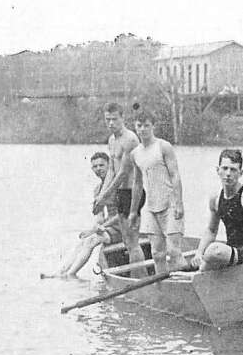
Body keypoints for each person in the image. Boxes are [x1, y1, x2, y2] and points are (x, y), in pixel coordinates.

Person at [41, 152, 121, 279]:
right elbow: (99, 217)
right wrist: (93, 229)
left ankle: (70, 275)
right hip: (109, 227)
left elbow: (123, 215)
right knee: (83, 241)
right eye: (95, 166)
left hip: (122, 227)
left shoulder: (117, 185)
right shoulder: (98, 189)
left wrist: (98, 229)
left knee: (92, 240)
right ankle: (61, 272)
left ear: (109, 165)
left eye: (101, 165)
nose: (98, 169)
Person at [127, 110, 186, 273]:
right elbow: (137, 183)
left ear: (153, 126)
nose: (143, 129)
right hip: (151, 207)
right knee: (157, 254)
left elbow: (175, 175)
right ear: (135, 127)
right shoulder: (135, 154)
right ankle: (162, 286)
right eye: (139, 126)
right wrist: (133, 211)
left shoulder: (163, 146)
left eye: (147, 125)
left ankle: (185, 281)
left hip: (170, 205)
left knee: (174, 251)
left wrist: (179, 203)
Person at [93, 102, 146, 276]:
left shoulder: (130, 139)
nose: (111, 123)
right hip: (120, 193)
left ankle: (140, 279)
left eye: (114, 119)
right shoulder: (111, 140)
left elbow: (123, 173)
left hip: (132, 193)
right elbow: (111, 170)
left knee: (133, 243)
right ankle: (136, 276)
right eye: (107, 119)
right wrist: (102, 195)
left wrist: (105, 196)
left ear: (122, 118)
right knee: (128, 242)